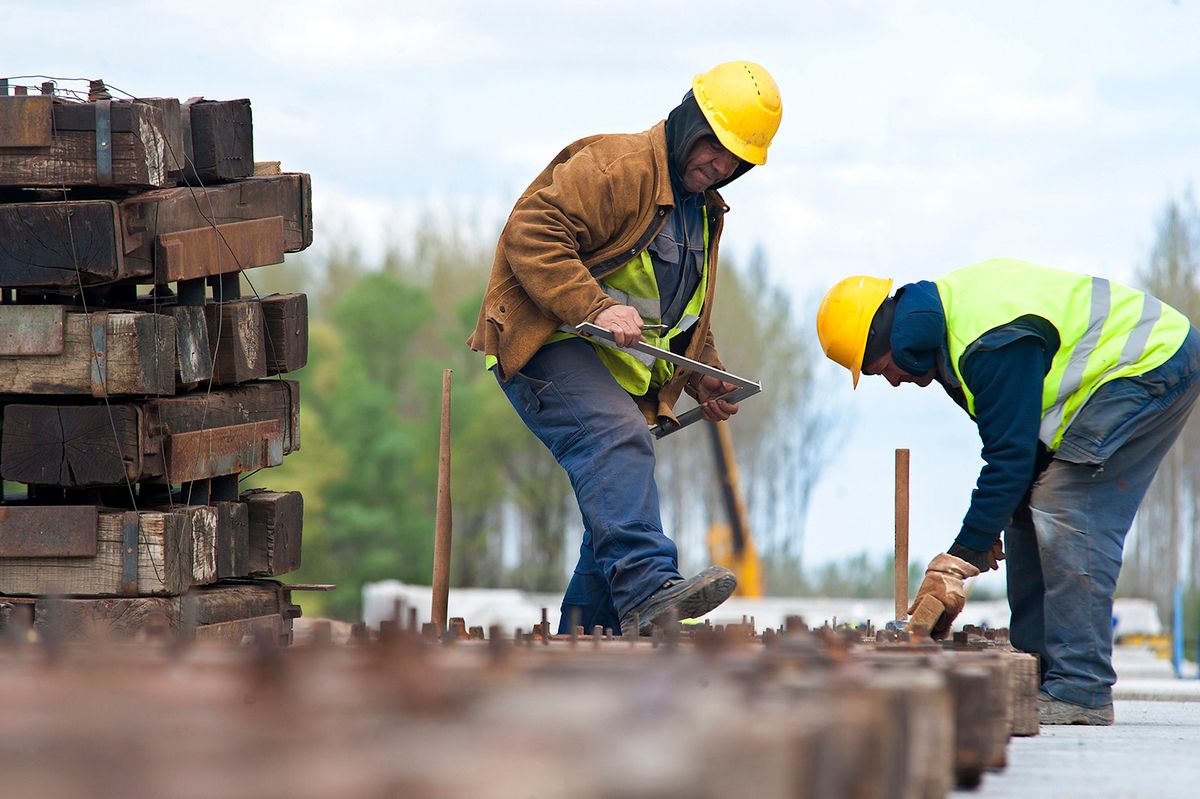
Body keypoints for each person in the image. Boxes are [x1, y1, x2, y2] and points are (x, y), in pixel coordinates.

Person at [468, 62, 783, 637]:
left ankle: (585, 638)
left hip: (606, 367)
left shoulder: (703, 210)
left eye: (736, 160)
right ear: (691, 123)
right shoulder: (618, 167)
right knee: (618, 439)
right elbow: (530, 231)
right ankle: (645, 589)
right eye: (715, 147)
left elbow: (681, 311)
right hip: (548, 343)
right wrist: (594, 307)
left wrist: (704, 375)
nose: (721, 165)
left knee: (613, 501)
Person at [816, 258, 1200, 725]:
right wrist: (993, 528)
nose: (893, 382)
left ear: (891, 340)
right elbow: (1019, 455)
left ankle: (1081, 689)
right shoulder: (950, 344)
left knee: (1066, 507)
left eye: (880, 370)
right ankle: (1041, 670)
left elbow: (1010, 459)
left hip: (1151, 362)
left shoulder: (986, 345)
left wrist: (959, 558)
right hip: (1128, 374)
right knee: (1027, 512)